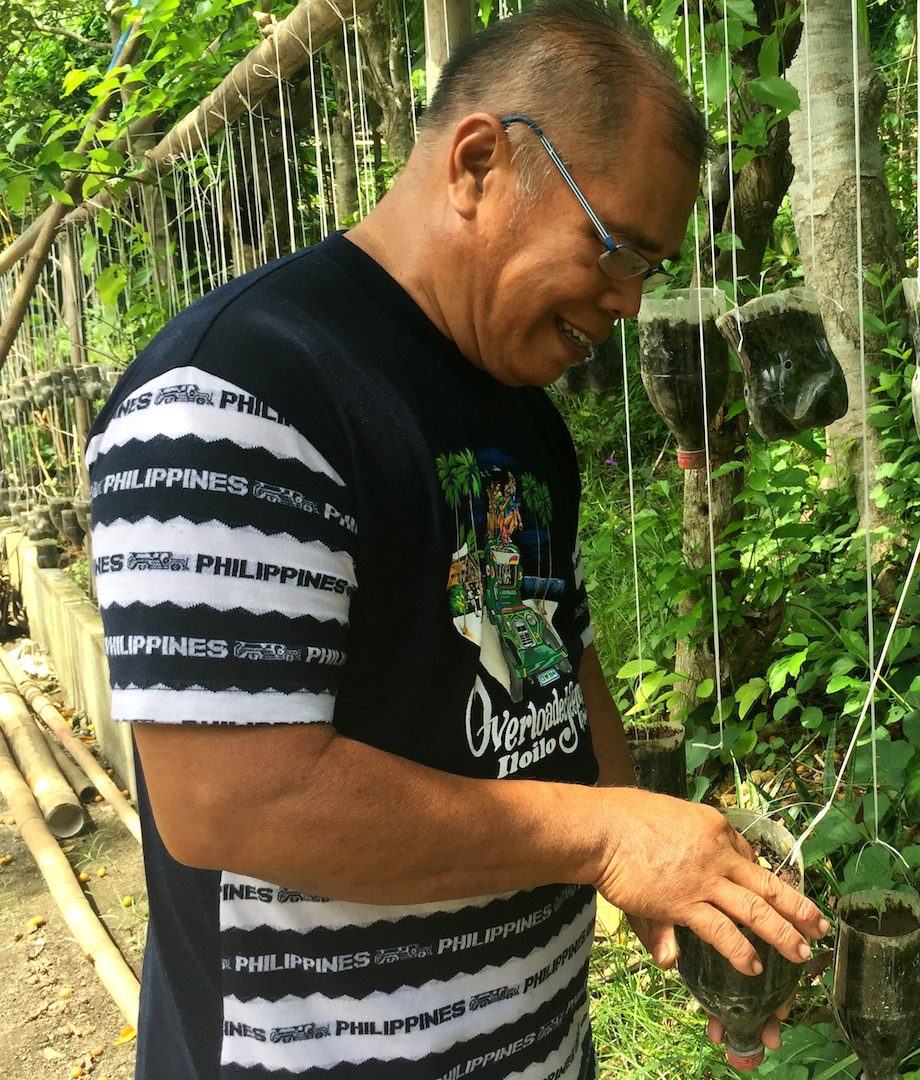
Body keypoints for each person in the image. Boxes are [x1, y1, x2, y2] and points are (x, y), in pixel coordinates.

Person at [84, 3, 826, 1077]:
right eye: (618, 249)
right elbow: (232, 800)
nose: (628, 302)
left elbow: (556, 663)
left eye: (650, 270)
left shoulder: (521, 414)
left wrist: (661, 880)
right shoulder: (238, 391)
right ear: (481, 163)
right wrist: (609, 836)